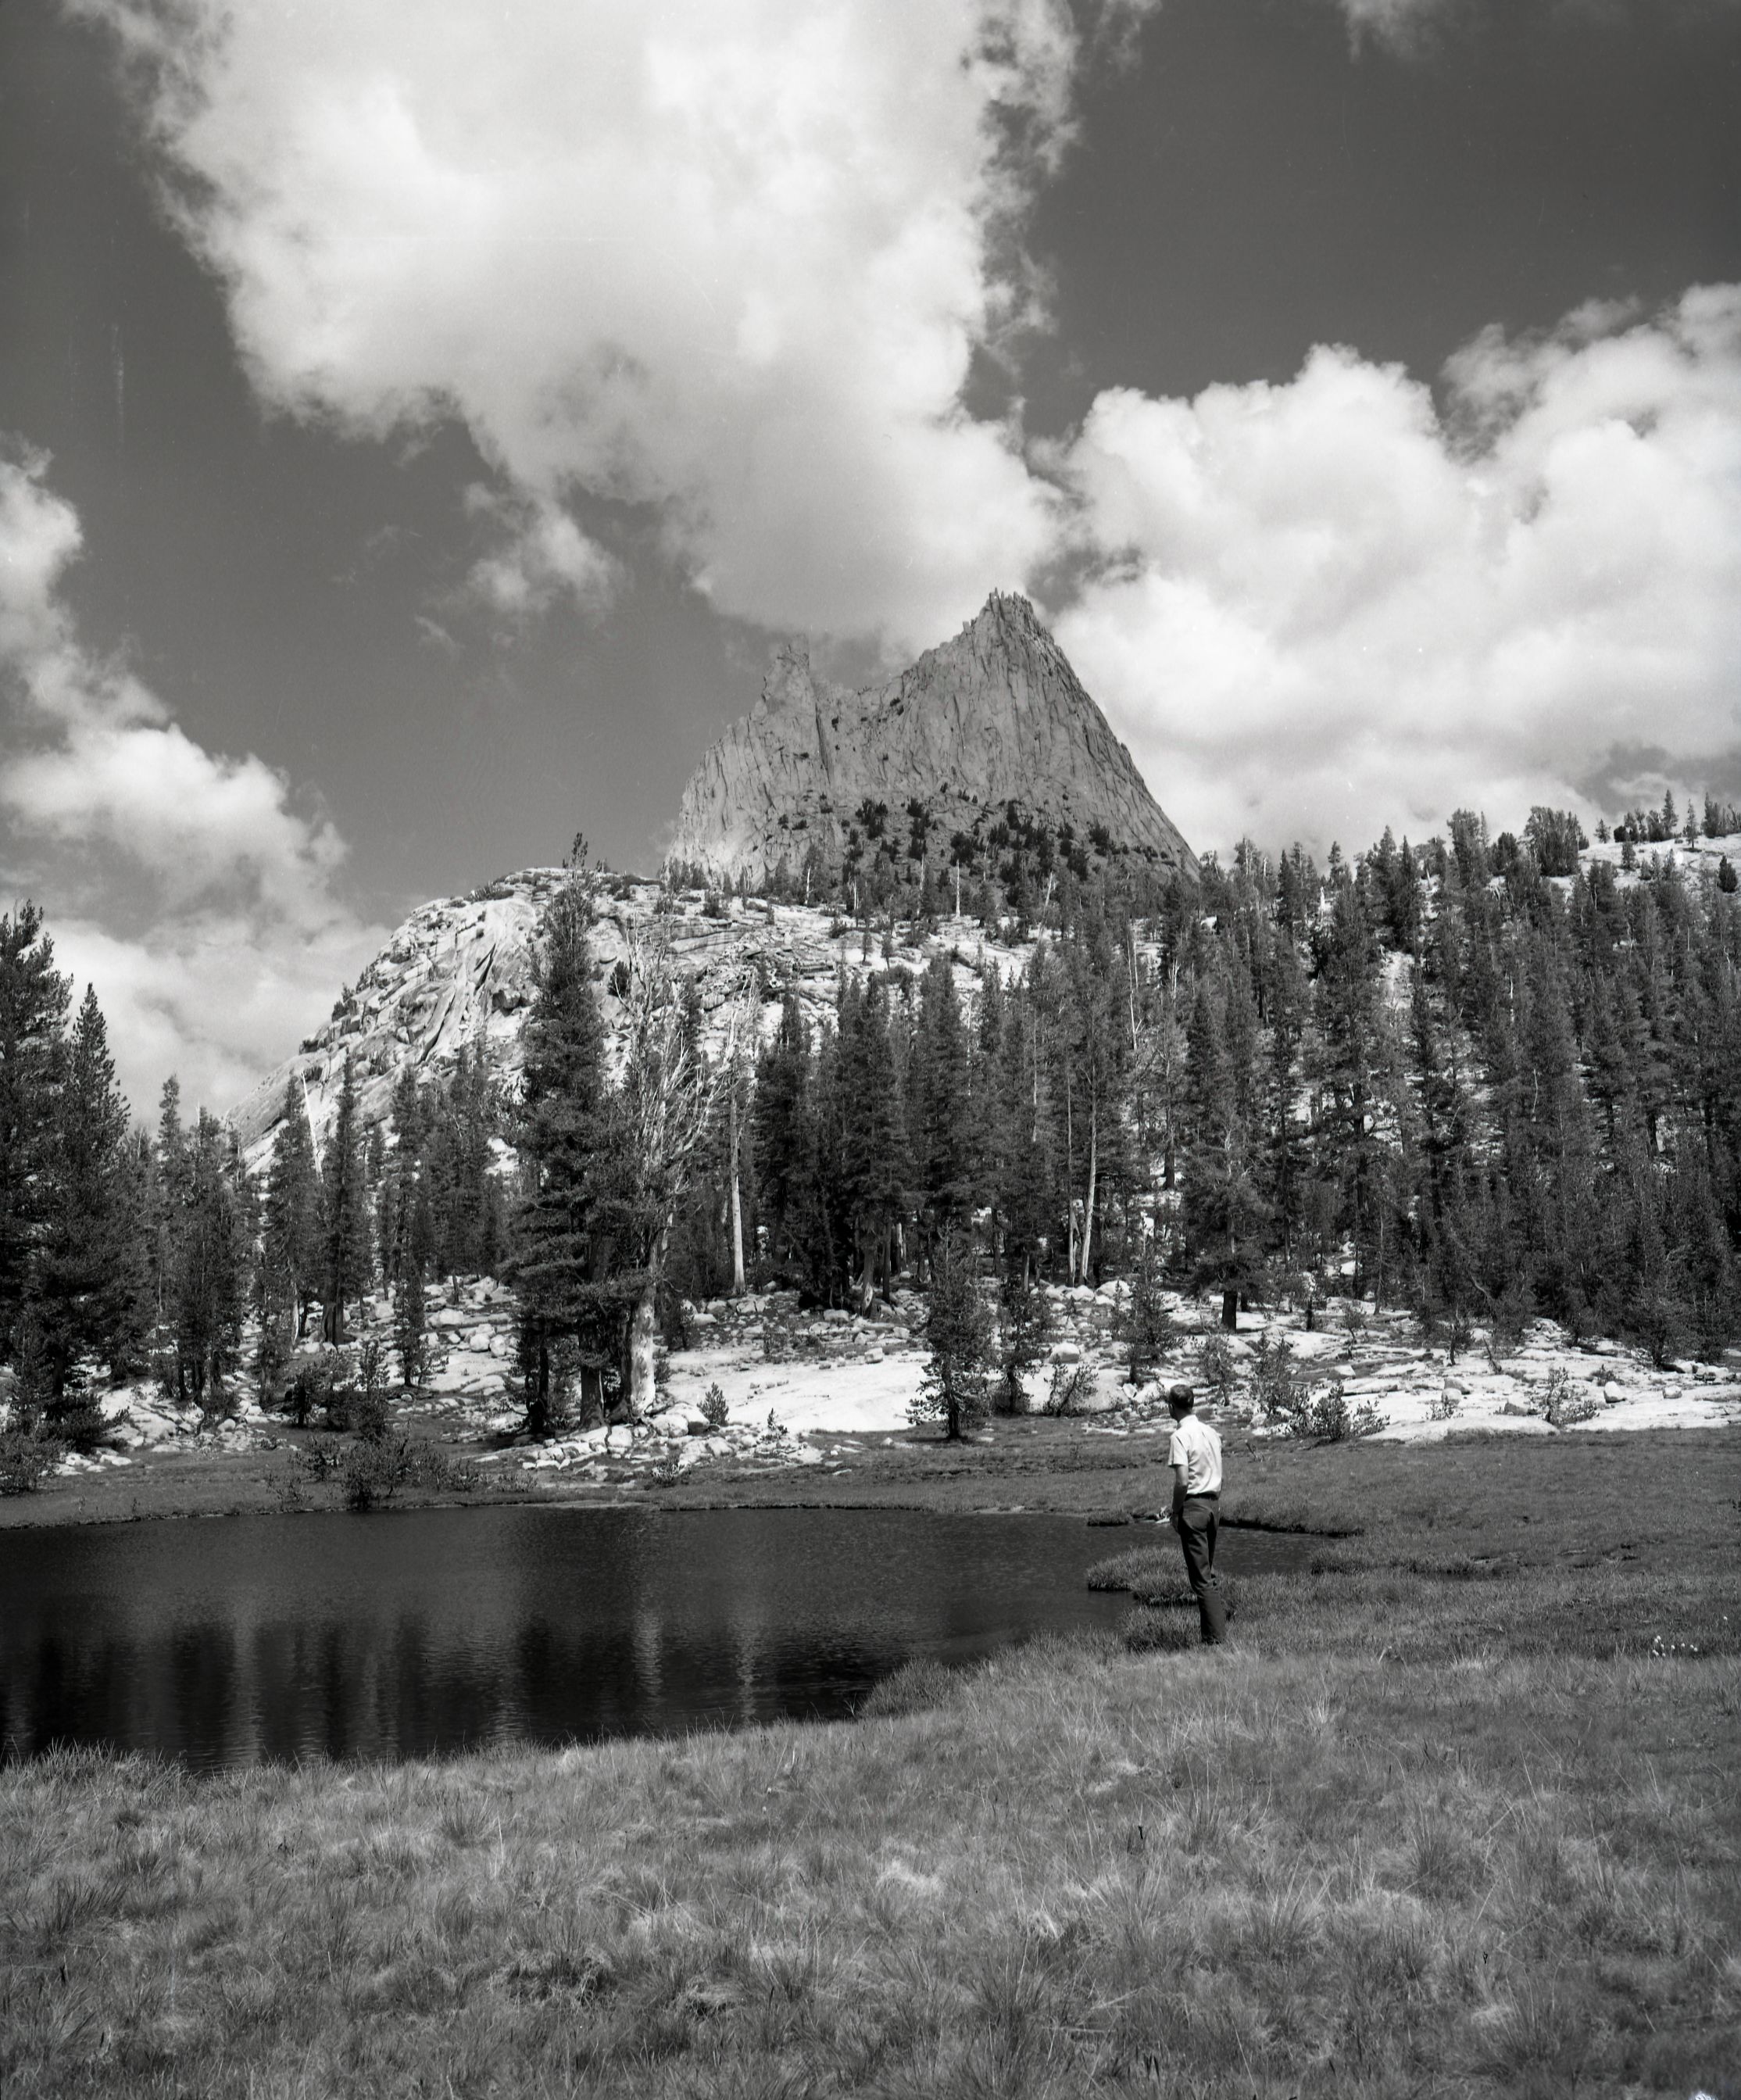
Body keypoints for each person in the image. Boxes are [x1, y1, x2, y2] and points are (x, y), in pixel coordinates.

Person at [1167, 1383, 1228, 1644]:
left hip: (1193, 1510)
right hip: (1213, 1506)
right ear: (1192, 1404)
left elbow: (1182, 1481)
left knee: (1201, 1581)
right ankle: (1209, 1638)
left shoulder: (1179, 1436)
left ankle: (1217, 1641)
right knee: (1207, 1575)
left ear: (1171, 1406)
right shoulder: (1211, 1432)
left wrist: (1175, 1510)